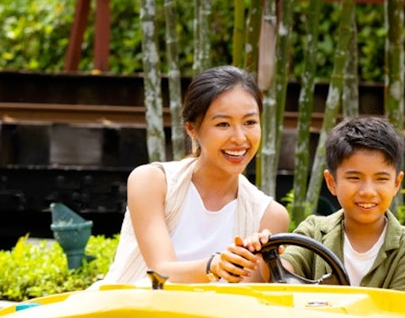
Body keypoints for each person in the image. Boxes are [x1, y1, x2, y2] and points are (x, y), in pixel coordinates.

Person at [97, 66, 289, 286]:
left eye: (250, 122)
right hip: (128, 316)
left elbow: (247, 300)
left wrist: (260, 263)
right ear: (192, 129)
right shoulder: (151, 181)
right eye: (223, 124)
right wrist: (214, 265)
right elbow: (160, 273)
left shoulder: (271, 215)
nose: (239, 138)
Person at [274, 116, 405, 294]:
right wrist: (262, 255)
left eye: (381, 179)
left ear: (397, 183)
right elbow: (285, 268)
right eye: (354, 178)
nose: (368, 191)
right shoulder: (313, 232)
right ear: (331, 182)